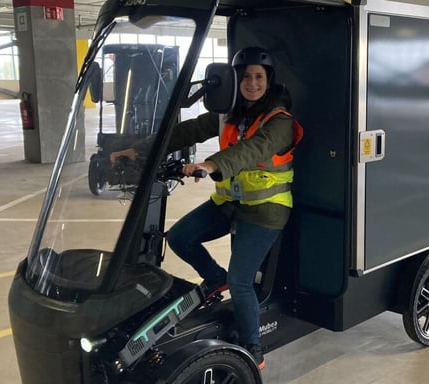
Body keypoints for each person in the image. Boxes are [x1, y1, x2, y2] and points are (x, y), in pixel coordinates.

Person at [110, 46, 303, 370]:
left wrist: (211, 164)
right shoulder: (230, 113)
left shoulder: (280, 122)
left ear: (269, 82)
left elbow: (251, 149)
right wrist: (138, 150)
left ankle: (254, 349)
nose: (251, 83)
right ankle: (215, 278)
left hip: (266, 210)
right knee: (180, 237)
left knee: (242, 281)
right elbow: (186, 131)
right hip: (228, 203)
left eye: (258, 77)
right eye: (244, 77)